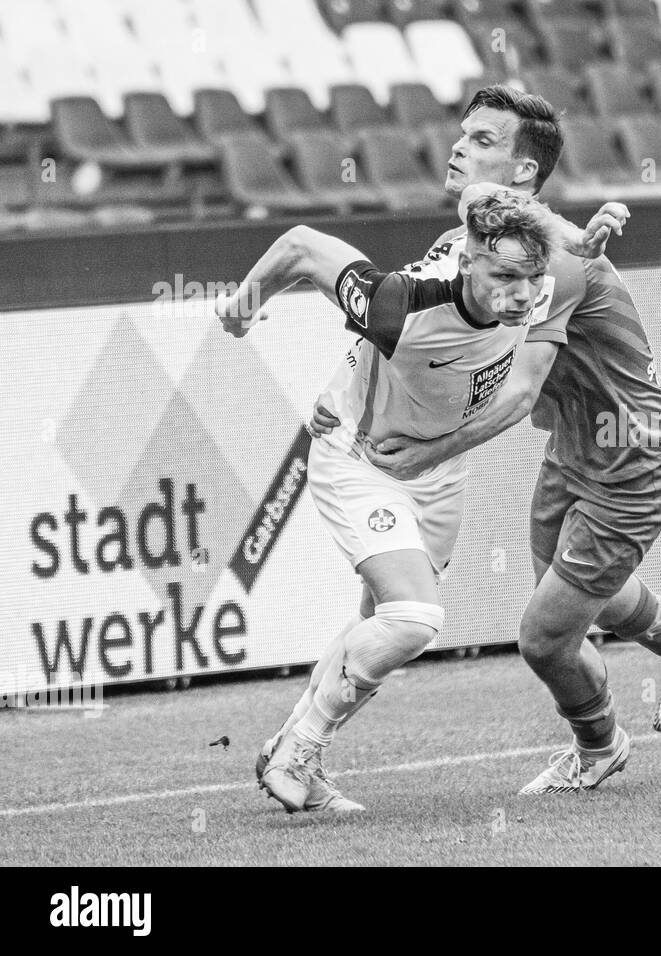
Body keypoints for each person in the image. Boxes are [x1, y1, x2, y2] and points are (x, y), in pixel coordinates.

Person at [313, 85, 661, 795]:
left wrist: (425, 456)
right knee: (579, 595)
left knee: (544, 638)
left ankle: (600, 747)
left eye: (483, 140)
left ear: (522, 174)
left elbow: (515, 393)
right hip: (575, 448)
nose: (458, 146)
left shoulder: (558, 264)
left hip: (638, 457)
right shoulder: (477, 238)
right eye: (463, 132)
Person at [215, 191, 568, 813]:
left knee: (378, 622)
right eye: (505, 277)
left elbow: (528, 361)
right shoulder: (401, 307)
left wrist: (589, 239)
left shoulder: (541, 278)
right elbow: (302, 243)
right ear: (468, 260)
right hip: (362, 459)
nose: (522, 294)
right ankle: (299, 750)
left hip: (436, 473)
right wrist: (244, 307)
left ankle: (288, 752)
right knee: (414, 618)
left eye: (532, 277)